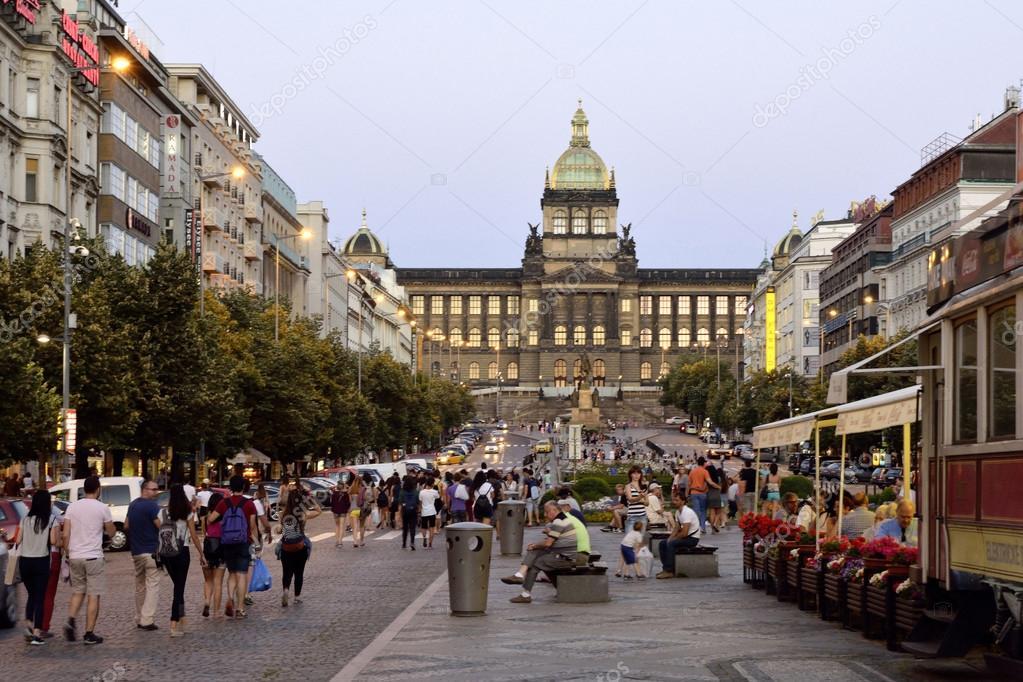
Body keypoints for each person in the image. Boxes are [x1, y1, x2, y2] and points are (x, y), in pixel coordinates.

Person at [62, 475, 115, 644]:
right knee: (94, 594)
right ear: (98, 489)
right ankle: (89, 633)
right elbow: (112, 531)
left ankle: (70, 619)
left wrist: (67, 552)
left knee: (78, 591)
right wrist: (109, 531)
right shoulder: (102, 508)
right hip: (93, 556)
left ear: (84, 489)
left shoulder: (72, 507)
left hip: (75, 556)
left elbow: (66, 534)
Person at [501, 501, 579, 604]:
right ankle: (520, 575)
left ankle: (525, 594)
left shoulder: (558, 522)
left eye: (547, 512)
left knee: (535, 565)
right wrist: (536, 545)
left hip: (565, 557)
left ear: (553, 510)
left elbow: (548, 543)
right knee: (536, 551)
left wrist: (535, 545)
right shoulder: (563, 520)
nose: (545, 515)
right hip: (562, 554)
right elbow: (552, 541)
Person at [206, 476, 258, 619]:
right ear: (243, 487)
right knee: (241, 574)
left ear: (230, 488)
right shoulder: (249, 504)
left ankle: (230, 599)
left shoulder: (223, 503)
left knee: (232, 573)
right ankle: (240, 609)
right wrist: (254, 540)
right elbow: (252, 526)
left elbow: (211, 520)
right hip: (243, 542)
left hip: (227, 542)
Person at [17, 490, 61, 645]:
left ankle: (28, 623)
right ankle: (37, 633)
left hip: (25, 561)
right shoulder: (51, 519)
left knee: (31, 594)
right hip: (41, 561)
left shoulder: (25, 519)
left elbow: (18, 539)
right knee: (40, 597)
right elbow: (54, 541)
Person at [161, 484, 205, 636]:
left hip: (166, 553)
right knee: (179, 588)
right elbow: (193, 535)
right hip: (182, 552)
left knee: (178, 585)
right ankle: (174, 624)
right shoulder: (187, 512)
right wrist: (201, 553)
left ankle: (182, 616)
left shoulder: (164, 512)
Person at [125, 478, 162, 631]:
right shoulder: (152, 506)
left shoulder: (133, 504)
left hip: (136, 551)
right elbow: (160, 526)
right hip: (151, 550)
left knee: (140, 586)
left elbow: (126, 525)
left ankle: (139, 617)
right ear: (145, 489)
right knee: (153, 585)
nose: (156, 492)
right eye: (153, 489)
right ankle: (147, 619)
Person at [278, 488, 320, 607]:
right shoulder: (303, 513)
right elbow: (318, 511)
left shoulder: (283, 514)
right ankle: (297, 597)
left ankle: (286, 590)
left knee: (286, 572)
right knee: (299, 572)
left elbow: (280, 530)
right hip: (300, 546)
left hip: (286, 547)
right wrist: (311, 500)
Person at [655, 494, 701, 579]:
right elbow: (676, 527)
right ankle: (666, 568)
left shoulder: (687, 512)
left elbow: (685, 533)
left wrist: (673, 539)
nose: (674, 502)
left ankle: (669, 571)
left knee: (671, 544)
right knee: (662, 543)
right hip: (685, 537)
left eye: (676, 500)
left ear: (683, 501)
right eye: (673, 500)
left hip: (692, 539)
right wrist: (670, 538)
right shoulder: (678, 512)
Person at [201, 491, 225, 619]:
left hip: (207, 551)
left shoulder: (205, 519)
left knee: (208, 581)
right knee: (218, 582)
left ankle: (207, 602)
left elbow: (205, 535)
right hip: (220, 551)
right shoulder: (224, 518)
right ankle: (216, 612)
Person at [687, 457, 716, 533]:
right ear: (703, 463)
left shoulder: (692, 472)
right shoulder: (705, 472)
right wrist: (718, 486)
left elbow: (688, 484)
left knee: (696, 511)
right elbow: (709, 482)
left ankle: (696, 528)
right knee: (703, 511)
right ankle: (703, 527)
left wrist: (686, 494)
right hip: (703, 494)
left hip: (694, 493)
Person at [419, 477, 440, 549]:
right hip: (431, 511)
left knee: (424, 527)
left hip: (424, 512)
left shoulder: (422, 492)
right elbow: (438, 497)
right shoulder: (434, 492)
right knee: (431, 527)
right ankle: (430, 544)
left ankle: (424, 537)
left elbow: (420, 502)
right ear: (432, 484)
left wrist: (420, 510)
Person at [399, 477, 419, 550]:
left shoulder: (402, 492)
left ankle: (404, 543)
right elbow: (417, 502)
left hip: (405, 511)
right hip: (413, 511)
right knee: (412, 528)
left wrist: (399, 515)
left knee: (405, 528)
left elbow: (400, 504)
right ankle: (412, 542)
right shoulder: (415, 491)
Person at [347, 476, 367, 548]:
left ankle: (355, 541)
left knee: (355, 527)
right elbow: (365, 499)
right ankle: (361, 541)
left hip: (353, 509)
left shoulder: (351, 489)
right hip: (361, 509)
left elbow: (350, 501)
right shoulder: (362, 489)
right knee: (362, 526)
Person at [330, 482, 351, 547]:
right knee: (341, 526)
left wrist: (333, 509)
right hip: (343, 511)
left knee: (337, 526)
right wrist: (347, 509)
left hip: (335, 511)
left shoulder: (334, 494)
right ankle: (340, 542)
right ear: (343, 487)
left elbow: (332, 503)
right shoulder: (346, 494)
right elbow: (348, 503)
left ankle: (337, 541)